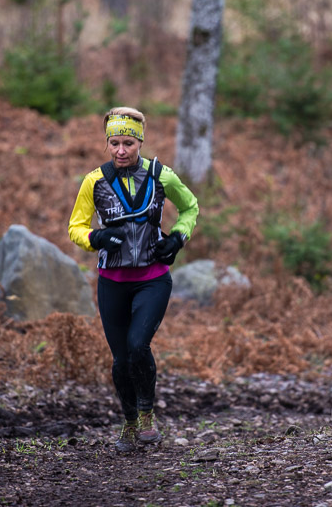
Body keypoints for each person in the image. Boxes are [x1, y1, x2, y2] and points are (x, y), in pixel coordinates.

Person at [68, 106, 198, 453]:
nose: (121, 150)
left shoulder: (161, 176)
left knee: (138, 345)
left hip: (153, 278)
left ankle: (146, 416)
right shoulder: (94, 181)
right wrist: (95, 238)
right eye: (114, 143)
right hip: (112, 281)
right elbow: (75, 227)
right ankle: (128, 423)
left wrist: (178, 237)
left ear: (140, 142)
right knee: (121, 359)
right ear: (107, 144)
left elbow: (190, 207)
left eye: (128, 143)